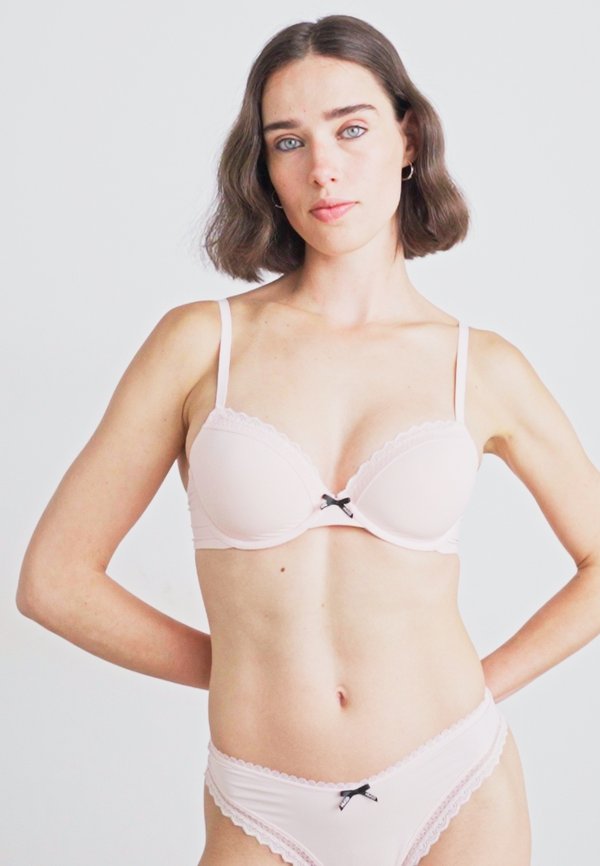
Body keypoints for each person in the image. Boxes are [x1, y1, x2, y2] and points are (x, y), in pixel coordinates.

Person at [16, 13, 600, 866]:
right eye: (288, 141)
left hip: (456, 782)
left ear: (408, 138)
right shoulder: (202, 345)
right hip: (263, 800)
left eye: (351, 129)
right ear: (264, 167)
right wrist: (236, 666)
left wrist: (484, 684)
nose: (323, 167)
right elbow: (54, 582)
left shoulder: (481, 366)